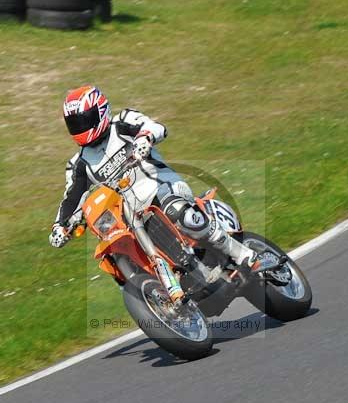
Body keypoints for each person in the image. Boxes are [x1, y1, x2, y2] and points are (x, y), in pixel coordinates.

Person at [49, 85, 269, 272]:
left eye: (84, 120)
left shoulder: (122, 122)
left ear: (101, 112)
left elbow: (156, 127)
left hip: (162, 187)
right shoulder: (79, 164)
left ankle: (241, 254)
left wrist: (146, 138)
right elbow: (72, 197)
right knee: (117, 252)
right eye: (75, 123)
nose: (80, 127)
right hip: (131, 215)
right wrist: (60, 226)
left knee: (178, 213)